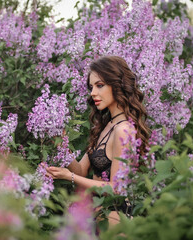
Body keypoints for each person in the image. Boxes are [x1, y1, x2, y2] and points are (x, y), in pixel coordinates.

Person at [46, 56, 149, 226]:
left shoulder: (123, 130)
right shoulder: (105, 126)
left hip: (114, 218)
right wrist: (62, 143)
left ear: (117, 85)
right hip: (93, 217)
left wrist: (68, 176)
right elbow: (80, 170)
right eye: (91, 87)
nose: (93, 93)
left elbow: (115, 189)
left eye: (100, 86)